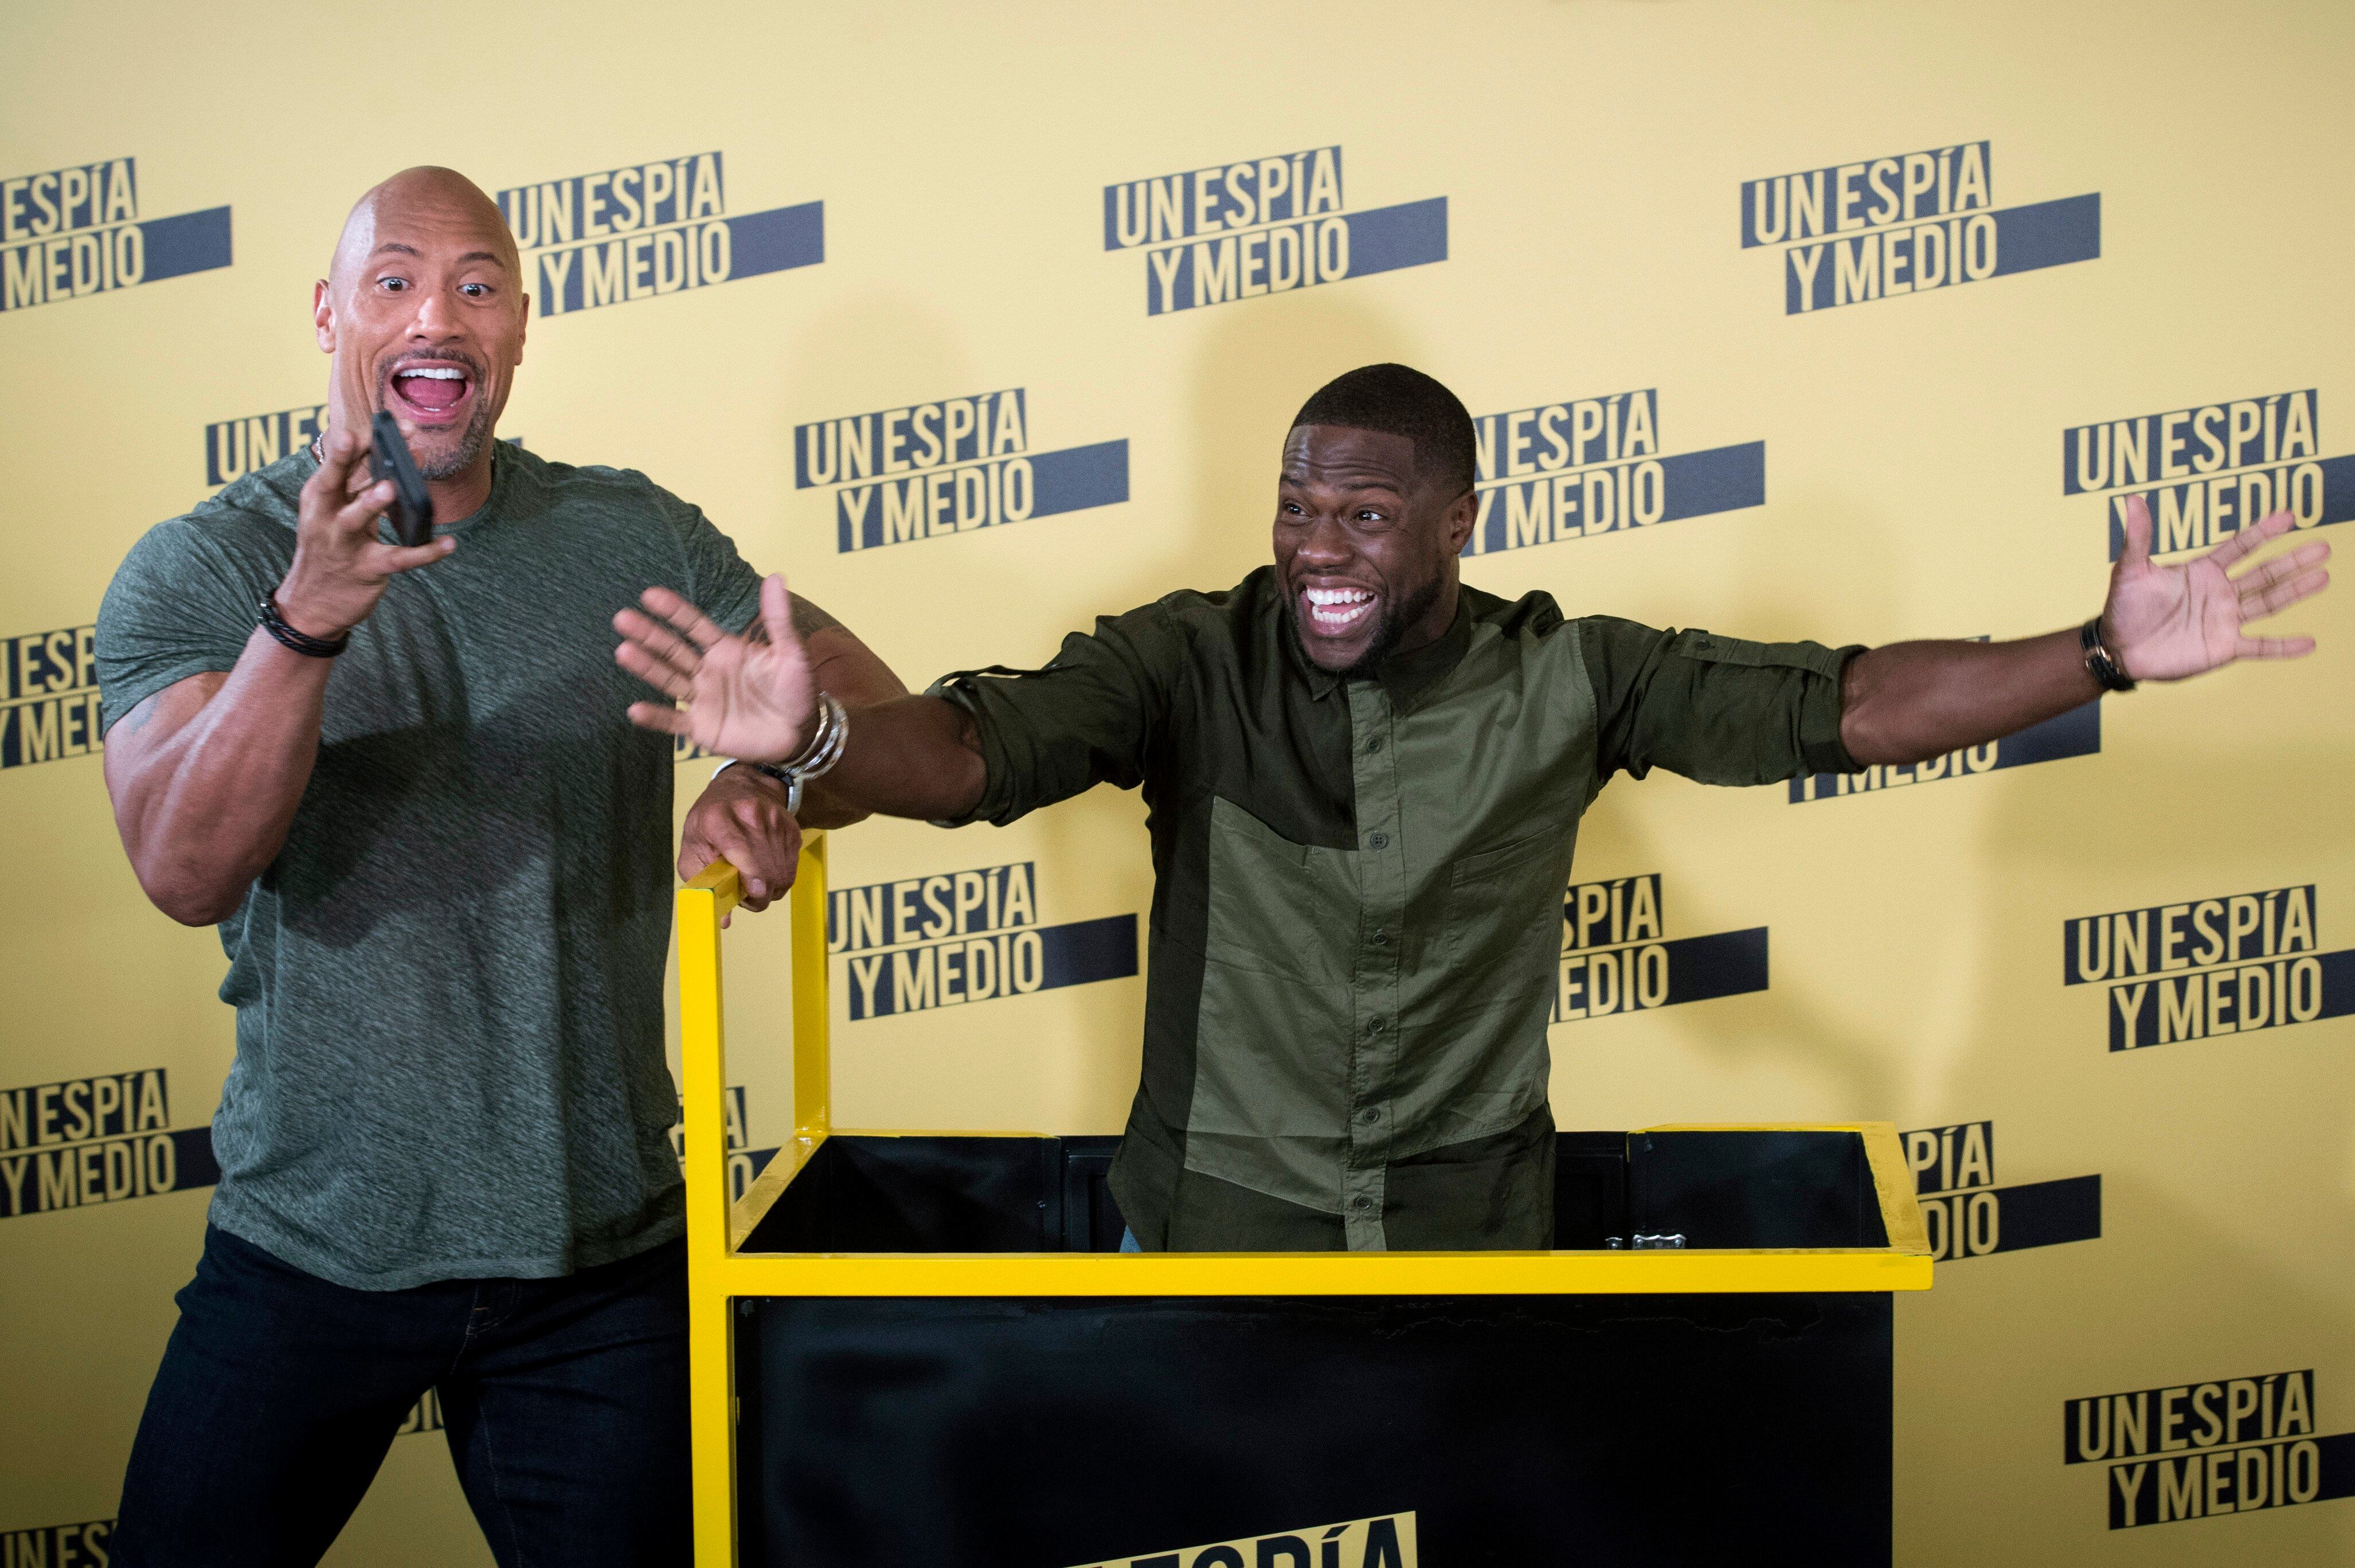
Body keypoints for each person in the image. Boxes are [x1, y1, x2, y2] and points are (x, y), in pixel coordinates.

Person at [616, 362, 2330, 1254]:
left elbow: (1850, 705)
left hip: (1472, 1245)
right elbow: (972, 760)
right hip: (1216, 1239)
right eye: (1296, 506)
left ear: (1456, 523)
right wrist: (818, 739)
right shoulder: (1184, 663)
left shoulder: (1567, 675)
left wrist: (2095, 655)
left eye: (1363, 516)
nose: (1316, 546)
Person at [94, 166, 894, 1567]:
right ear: (330, 313)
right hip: (313, 1250)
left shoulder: (630, 535)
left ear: (519, 325)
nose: (436, 317)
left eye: (476, 286)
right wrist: (304, 624)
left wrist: (765, 770)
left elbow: (857, 707)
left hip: (599, 1265)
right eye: (395, 281)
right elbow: (183, 870)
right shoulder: (206, 565)